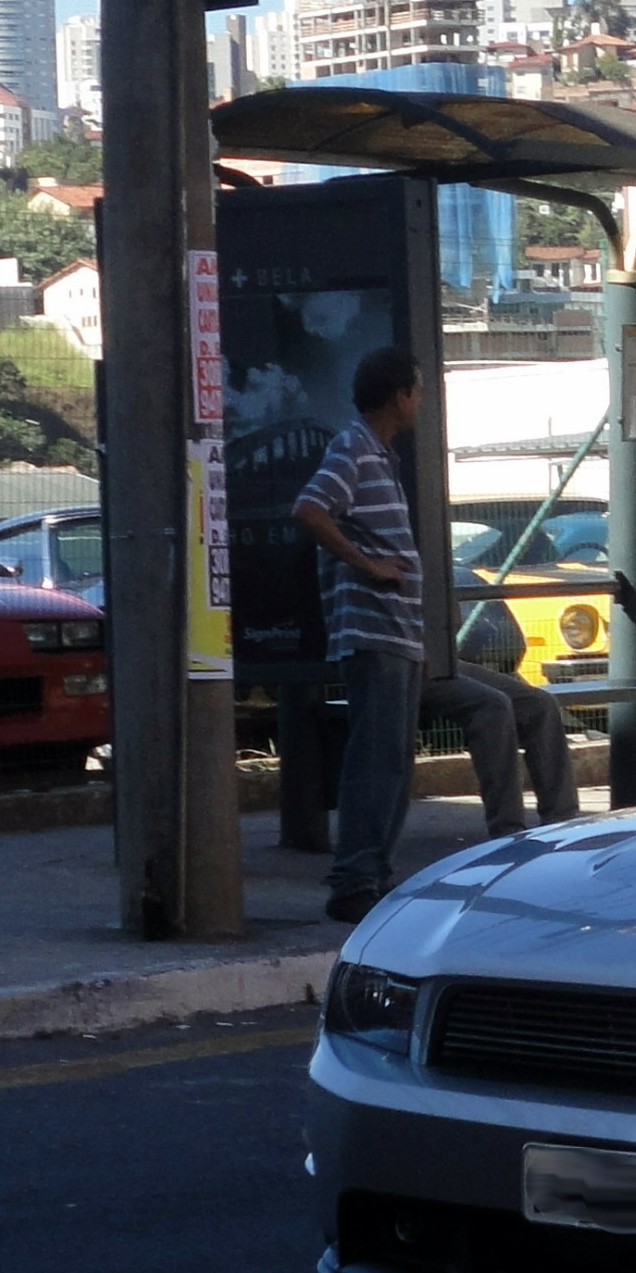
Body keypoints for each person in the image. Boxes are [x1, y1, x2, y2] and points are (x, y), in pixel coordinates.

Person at [292, 346, 432, 922]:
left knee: (393, 759)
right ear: (399, 397)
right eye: (417, 390)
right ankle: (353, 881)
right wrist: (367, 565)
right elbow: (310, 508)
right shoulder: (353, 447)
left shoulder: (379, 456)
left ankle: (372, 874)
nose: (421, 401)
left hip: (396, 635)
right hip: (373, 633)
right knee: (375, 759)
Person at [432, 571, 579, 836]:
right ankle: (507, 829)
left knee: (540, 704)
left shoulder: (427, 553)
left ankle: (562, 821)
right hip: (400, 656)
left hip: (440, 658)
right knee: (493, 705)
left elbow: (452, 618)